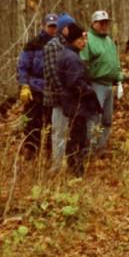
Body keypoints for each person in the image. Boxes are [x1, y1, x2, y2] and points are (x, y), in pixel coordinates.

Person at [56, 23, 101, 176]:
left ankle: (75, 168)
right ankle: (76, 170)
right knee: (78, 137)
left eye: (84, 39)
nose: (84, 42)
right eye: (81, 39)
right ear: (74, 39)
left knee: (77, 136)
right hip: (76, 104)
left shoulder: (70, 55)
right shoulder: (71, 58)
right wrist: (90, 92)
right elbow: (75, 83)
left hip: (73, 103)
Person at [81, 10, 123, 154]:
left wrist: (119, 81)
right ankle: (90, 148)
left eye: (106, 23)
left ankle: (101, 147)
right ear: (94, 24)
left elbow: (116, 62)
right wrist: (86, 85)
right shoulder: (88, 40)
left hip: (109, 85)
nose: (104, 26)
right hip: (95, 84)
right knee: (94, 117)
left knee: (107, 119)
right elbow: (83, 63)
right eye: (101, 23)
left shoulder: (109, 41)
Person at [17, 13, 57, 157]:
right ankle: (31, 150)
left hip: (53, 89)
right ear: (43, 26)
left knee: (52, 122)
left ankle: (50, 151)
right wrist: (24, 85)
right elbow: (23, 66)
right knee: (33, 121)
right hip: (35, 87)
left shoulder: (61, 43)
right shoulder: (33, 44)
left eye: (55, 27)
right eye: (50, 26)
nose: (53, 30)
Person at [42, 12, 75, 171]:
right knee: (59, 132)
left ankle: (68, 163)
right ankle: (57, 166)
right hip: (58, 98)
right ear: (63, 29)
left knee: (70, 132)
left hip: (71, 96)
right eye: (70, 27)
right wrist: (64, 94)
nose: (72, 29)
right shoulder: (52, 46)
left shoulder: (73, 45)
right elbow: (51, 74)